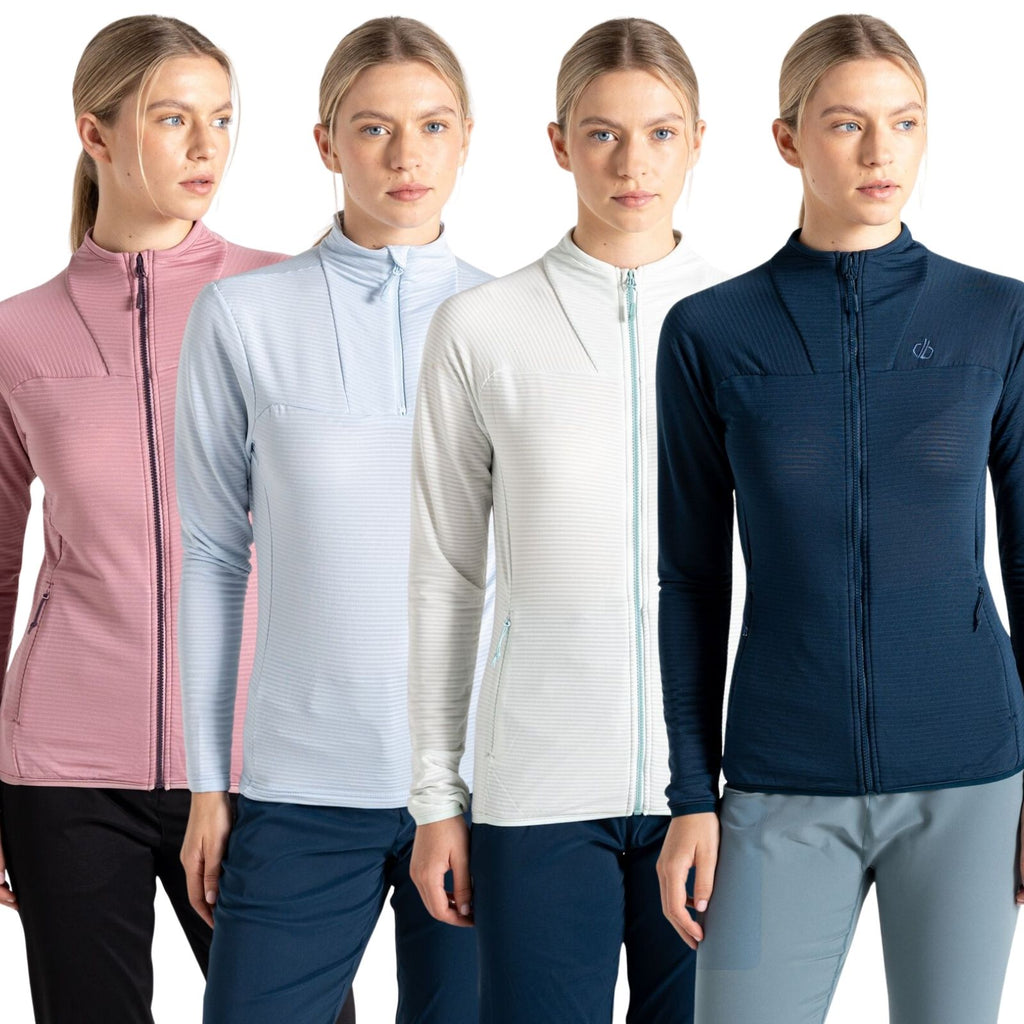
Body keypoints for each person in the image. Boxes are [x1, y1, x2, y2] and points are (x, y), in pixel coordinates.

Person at [656, 13, 1024, 1024]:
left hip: (971, 777)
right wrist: (691, 794)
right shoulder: (711, 332)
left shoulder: (995, 317)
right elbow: (689, 578)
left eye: (903, 123)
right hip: (777, 782)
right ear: (788, 139)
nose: (878, 153)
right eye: (846, 124)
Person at [0, 16, 362, 1024]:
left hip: (260, 767)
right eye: (172, 119)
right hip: (65, 771)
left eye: (222, 119)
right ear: (95, 133)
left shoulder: (294, 298)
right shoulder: (17, 335)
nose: (207, 147)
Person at [406, 17, 723, 1023]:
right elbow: (446, 573)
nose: (633, 163)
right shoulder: (481, 328)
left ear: (698, 140)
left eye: (660, 133)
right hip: (536, 791)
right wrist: (437, 797)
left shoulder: (748, 322)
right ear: (558, 143)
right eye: (602, 134)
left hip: (717, 792)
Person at [175, 16, 490, 1024]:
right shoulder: (243, 316)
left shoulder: (510, 319)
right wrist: (210, 784)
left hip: (487, 788)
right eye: (373, 128)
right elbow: (212, 553)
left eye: (432, 126)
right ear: (326, 144)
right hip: (302, 786)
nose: (406, 157)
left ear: (467, 137)